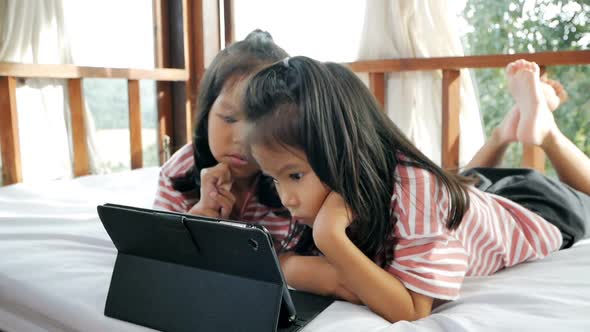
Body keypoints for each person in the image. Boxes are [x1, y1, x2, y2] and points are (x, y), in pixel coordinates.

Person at [241, 56, 590, 323]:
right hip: (475, 194)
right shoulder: (359, 181)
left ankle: (545, 132)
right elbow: (337, 278)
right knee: (465, 178)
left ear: (342, 151)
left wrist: (329, 239)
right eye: (275, 178)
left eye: (295, 176)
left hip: (537, 209)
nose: (285, 198)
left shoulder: (416, 191)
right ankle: (504, 133)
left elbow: (412, 309)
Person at [152, 30, 306, 253]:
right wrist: (198, 217)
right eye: (229, 118)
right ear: (206, 114)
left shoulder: (295, 173)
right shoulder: (179, 171)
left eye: (258, 124)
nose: (241, 140)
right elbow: (158, 253)